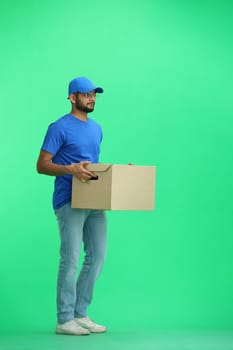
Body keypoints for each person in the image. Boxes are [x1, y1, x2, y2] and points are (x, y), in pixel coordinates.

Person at [37, 76, 107, 336]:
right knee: (71, 259)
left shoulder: (97, 128)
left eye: (94, 94)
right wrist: (70, 169)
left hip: (94, 199)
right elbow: (42, 165)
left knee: (98, 256)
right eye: (86, 94)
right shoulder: (59, 127)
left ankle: (80, 313)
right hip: (69, 199)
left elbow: (92, 166)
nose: (91, 98)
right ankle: (64, 319)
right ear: (72, 97)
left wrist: (119, 175)